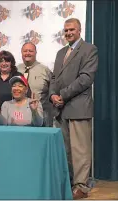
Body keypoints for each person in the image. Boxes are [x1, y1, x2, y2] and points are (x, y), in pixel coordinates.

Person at [49, 18, 98, 199]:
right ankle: (69, 183)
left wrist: (63, 95)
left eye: (71, 30)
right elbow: (54, 78)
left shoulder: (89, 49)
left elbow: (86, 78)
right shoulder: (61, 52)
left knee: (80, 150)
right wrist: (53, 95)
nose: (68, 33)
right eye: (66, 30)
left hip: (78, 107)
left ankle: (81, 187)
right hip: (60, 109)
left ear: (79, 30)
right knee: (65, 150)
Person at [17, 42, 54, 127]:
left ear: (36, 53)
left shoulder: (45, 70)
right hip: (20, 117)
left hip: (41, 115)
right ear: (21, 53)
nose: (27, 53)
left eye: (31, 51)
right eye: (25, 51)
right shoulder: (16, 69)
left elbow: (53, 91)